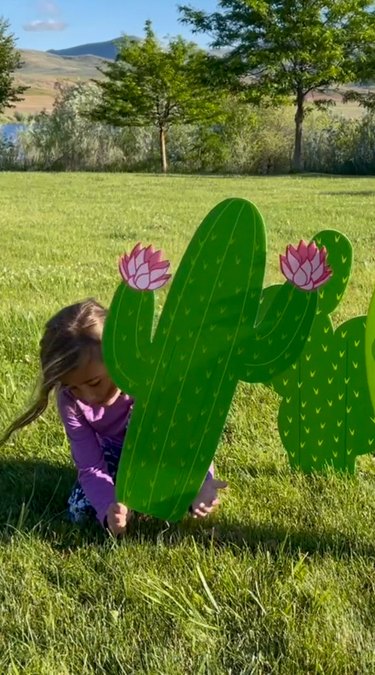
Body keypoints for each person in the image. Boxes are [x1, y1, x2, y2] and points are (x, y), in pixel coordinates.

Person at [1, 299, 227, 536]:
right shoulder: (70, 399)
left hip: (162, 452)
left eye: (94, 382)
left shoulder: (149, 381)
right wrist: (109, 511)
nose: (87, 396)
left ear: (119, 355)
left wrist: (200, 478)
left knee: (182, 497)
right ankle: (130, 495)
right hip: (115, 456)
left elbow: (188, 435)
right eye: (73, 387)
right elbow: (90, 466)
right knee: (79, 509)